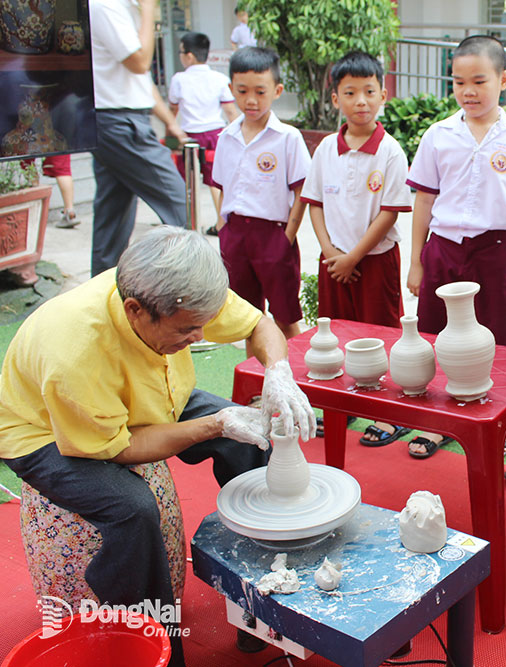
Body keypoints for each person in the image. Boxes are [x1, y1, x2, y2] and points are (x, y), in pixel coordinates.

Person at [0, 227, 317, 667]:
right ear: (135, 311)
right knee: (133, 509)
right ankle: (155, 644)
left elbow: (259, 324)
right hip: (46, 433)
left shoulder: (180, 288)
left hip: (144, 400)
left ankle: (259, 600)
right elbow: (120, 447)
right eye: (188, 331)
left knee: (254, 442)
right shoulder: (75, 351)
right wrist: (214, 425)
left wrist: (277, 370)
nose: (199, 337)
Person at [402, 35, 506, 458]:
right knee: (433, 331)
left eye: (479, 81)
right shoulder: (439, 134)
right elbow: (424, 199)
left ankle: (491, 427)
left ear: (504, 78)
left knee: (496, 339)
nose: (468, 91)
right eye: (459, 81)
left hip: (495, 250)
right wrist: (415, 261)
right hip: (443, 248)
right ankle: (435, 424)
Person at [211, 46, 310, 359]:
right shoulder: (226, 136)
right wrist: (223, 225)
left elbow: (302, 191)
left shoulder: (287, 137)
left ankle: (300, 383)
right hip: (236, 236)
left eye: (260, 91)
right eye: (242, 91)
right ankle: (254, 388)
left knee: (286, 317)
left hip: (274, 236)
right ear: (231, 90)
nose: (250, 100)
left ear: (277, 91)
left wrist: (287, 238)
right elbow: (220, 186)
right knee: (247, 319)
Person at [301, 51, 411, 327]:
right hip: (333, 262)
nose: (361, 101)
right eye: (350, 93)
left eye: (369, 91)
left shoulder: (390, 151)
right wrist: (329, 251)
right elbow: (315, 204)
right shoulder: (325, 149)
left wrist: (354, 257)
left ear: (383, 96)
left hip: (376, 261)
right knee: (335, 333)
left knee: (380, 335)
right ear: (336, 99)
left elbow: (389, 213)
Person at [88, 0, 188, 276]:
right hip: (118, 122)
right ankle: (191, 282)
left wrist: (170, 123)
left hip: (121, 120)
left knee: (112, 217)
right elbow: (141, 62)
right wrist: (148, 10)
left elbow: (140, 80)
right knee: (179, 201)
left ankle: (103, 293)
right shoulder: (106, 7)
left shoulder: (118, 9)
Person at [168, 31, 240, 235]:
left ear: (189, 55)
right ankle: (221, 223)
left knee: (185, 182)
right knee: (215, 182)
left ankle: (188, 224)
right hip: (215, 135)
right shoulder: (219, 78)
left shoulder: (179, 79)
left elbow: (173, 111)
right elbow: (230, 111)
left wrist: (170, 135)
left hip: (188, 136)